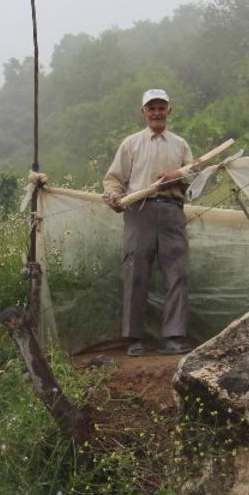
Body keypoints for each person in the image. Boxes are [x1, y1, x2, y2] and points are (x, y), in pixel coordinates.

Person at [102, 89, 193, 356]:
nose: (156, 112)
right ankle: (134, 339)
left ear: (169, 110)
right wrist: (115, 197)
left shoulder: (180, 145)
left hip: (172, 212)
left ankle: (173, 337)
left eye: (160, 107)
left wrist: (179, 175)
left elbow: (196, 178)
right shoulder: (131, 144)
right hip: (138, 211)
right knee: (136, 273)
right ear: (143, 112)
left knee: (178, 273)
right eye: (151, 108)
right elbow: (113, 179)